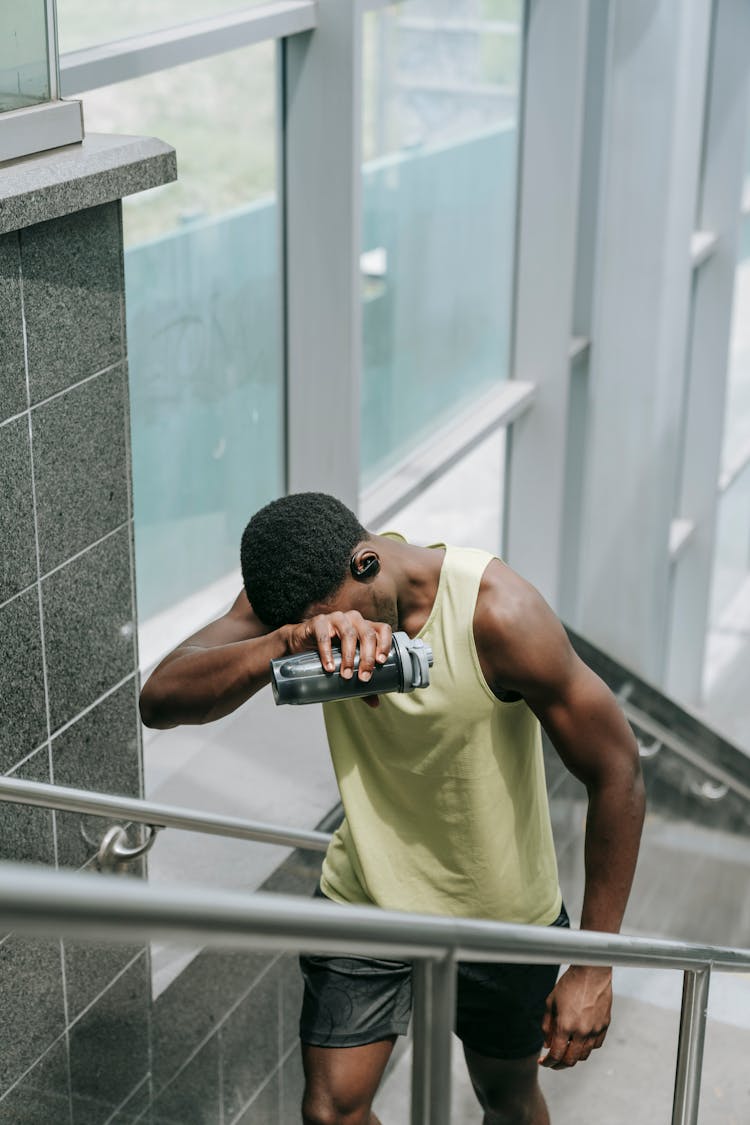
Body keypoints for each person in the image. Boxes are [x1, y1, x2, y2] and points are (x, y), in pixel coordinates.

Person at [140, 491, 645, 1125]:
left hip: (502, 912)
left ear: (366, 563)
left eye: (336, 617)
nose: (344, 639)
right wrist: (287, 643)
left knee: (507, 1099)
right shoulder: (297, 592)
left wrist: (595, 966)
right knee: (331, 1113)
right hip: (367, 896)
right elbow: (158, 699)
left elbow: (617, 771)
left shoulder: (498, 615)